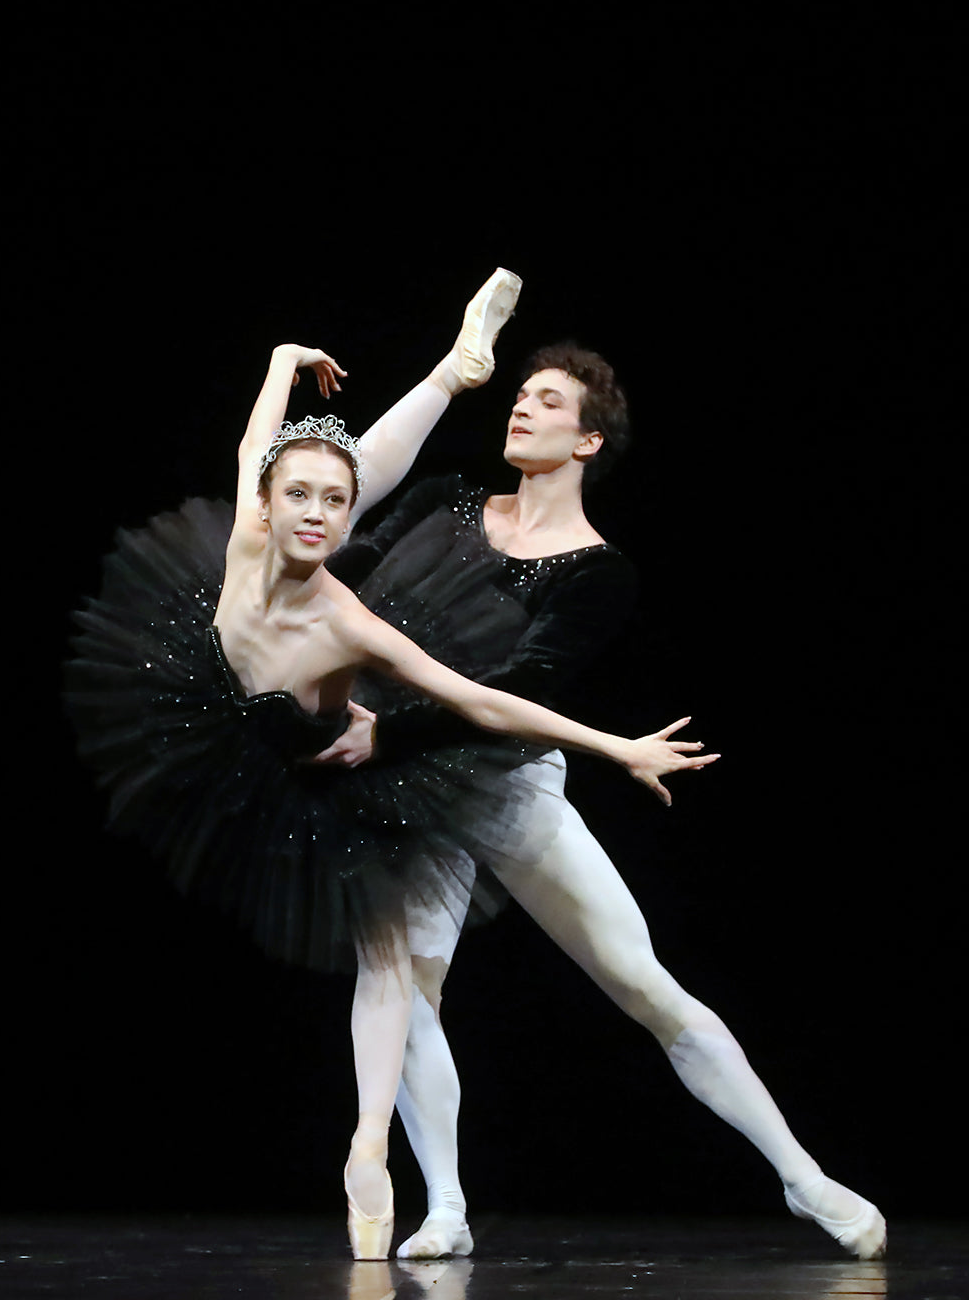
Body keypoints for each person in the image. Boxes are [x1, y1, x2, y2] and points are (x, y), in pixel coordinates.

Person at [66, 272, 717, 1260]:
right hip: (251, 737)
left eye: (337, 501)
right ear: (270, 503)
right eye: (304, 497)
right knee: (385, 965)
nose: (324, 512)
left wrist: (610, 743)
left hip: (342, 753)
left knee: (388, 965)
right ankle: (454, 369)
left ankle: (368, 1146)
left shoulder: (345, 610)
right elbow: (263, 450)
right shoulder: (249, 532)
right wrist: (283, 362)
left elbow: (482, 699)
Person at [316, 340, 887, 1263]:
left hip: (504, 780)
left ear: (586, 442)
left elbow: (521, 684)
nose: (522, 409)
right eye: (520, 396)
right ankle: (446, 1207)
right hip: (404, 787)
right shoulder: (447, 499)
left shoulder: (596, 572)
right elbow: (348, 577)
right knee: (406, 987)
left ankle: (802, 1176)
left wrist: (388, 731)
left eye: (547, 402)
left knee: (640, 981)